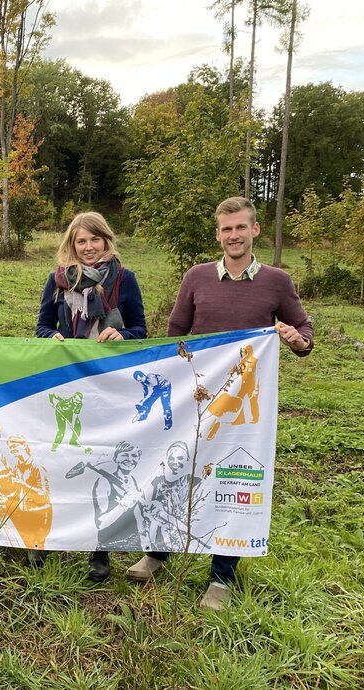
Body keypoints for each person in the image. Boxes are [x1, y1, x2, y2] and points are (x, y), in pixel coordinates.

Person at [125, 196, 314, 611]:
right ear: (218, 234)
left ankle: (221, 577)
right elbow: (176, 334)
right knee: (173, 469)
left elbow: (303, 328)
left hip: (246, 406)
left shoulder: (277, 281)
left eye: (240, 228)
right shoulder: (196, 277)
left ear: (255, 231)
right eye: (226, 229)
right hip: (195, 396)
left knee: (234, 480)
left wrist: (299, 340)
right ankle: (158, 552)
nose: (233, 236)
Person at [35, 211, 147, 579]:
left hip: (110, 384)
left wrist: (122, 336)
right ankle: (46, 538)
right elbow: (41, 326)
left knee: (103, 460)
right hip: (67, 382)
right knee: (60, 456)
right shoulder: (57, 281)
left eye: (94, 240)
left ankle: (99, 550)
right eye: (80, 241)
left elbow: (140, 329)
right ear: (71, 244)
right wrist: (50, 337)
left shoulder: (125, 279)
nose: (88, 248)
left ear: (106, 240)